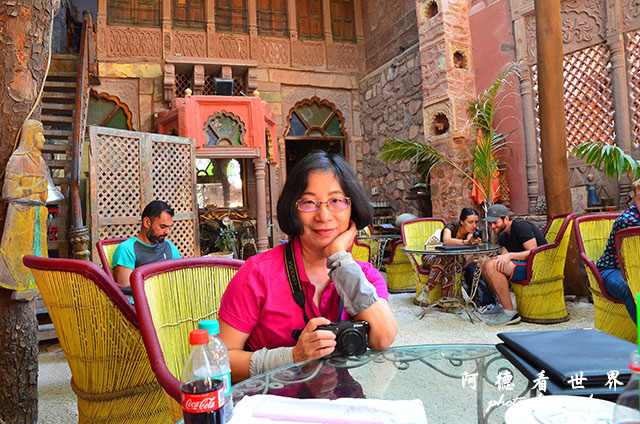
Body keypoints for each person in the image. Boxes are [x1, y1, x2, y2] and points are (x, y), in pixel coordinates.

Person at [218, 151, 398, 383]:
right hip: (271, 399)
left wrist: (339, 258)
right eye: (309, 202)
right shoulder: (257, 274)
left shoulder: (364, 276)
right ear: (293, 209)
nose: (324, 215)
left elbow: (383, 338)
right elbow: (221, 361)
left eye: (336, 201)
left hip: (340, 397)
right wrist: (293, 357)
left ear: (352, 208)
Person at [0, 120, 49, 291]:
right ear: (31, 136)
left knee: (37, 250)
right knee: (17, 255)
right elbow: (9, 192)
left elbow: (44, 192)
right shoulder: (18, 159)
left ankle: (34, 282)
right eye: (40, 134)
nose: (43, 139)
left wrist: (43, 193)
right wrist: (33, 188)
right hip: (20, 215)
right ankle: (16, 281)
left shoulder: (41, 162)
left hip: (37, 214)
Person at [481, 204, 546, 326]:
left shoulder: (520, 226)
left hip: (539, 266)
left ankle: (510, 313)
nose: (492, 226)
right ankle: (500, 304)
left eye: (495, 222)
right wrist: (499, 258)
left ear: (506, 218)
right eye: (490, 223)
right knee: (485, 263)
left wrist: (509, 256)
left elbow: (534, 253)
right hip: (524, 265)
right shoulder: (504, 236)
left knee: (492, 266)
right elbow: (503, 256)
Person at [596, 179, 640, 323]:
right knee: (629, 288)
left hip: (636, 270)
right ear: (634, 199)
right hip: (613, 270)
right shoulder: (629, 221)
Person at [416, 207, 481, 304]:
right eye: (470, 222)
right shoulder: (451, 227)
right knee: (445, 260)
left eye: (476, 222)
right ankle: (445, 300)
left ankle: (430, 291)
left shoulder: (471, 232)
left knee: (451, 265)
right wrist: (466, 242)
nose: (474, 225)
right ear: (462, 222)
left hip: (451, 261)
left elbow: (470, 241)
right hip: (431, 256)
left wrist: (472, 239)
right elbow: (447, 241)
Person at [111, 200, 181, 288]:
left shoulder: (168, 246)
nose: (167, 232)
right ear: (147, 222)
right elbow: (127, 290)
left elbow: (181, 276)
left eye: (169, 227)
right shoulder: (127, 249)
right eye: (163, 226)